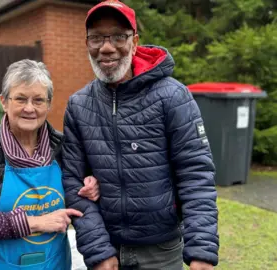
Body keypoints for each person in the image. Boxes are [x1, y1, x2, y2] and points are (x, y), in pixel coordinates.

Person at [61, 1, 219, 270]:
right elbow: (72, 182)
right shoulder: (78, 106)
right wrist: (98, 250)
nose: (106, 47)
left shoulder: (172, 96)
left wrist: (201, 250)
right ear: (87, 43)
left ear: (134, 41)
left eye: (118, 37)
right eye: (96, 38)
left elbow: (195, 174)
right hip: (107, 248)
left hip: (162, 251)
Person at [0, 59, 100, 270]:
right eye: (20, 99)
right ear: (4, 102)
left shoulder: (63, 147)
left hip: (53, 264)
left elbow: (80, 190)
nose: (29, 108)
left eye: (38, 100)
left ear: (49, 104)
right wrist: (36, 222)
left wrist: (91, 185)